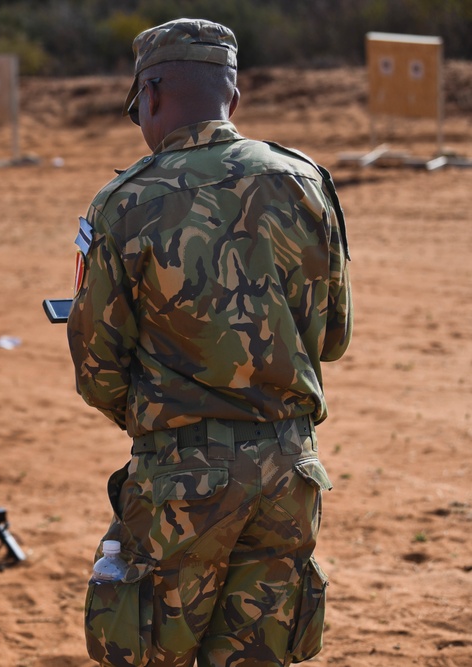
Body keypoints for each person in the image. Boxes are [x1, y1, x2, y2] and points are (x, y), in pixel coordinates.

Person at [67, 18, 352, 667]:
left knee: (149, 650)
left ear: (154, 92)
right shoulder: (305, 180)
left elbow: (98, 365)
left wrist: (166, 420)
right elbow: (332, 338)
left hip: (181, 477)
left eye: (138, 105)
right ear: (234, 96)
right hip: (290, 471)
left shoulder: (126, 200)